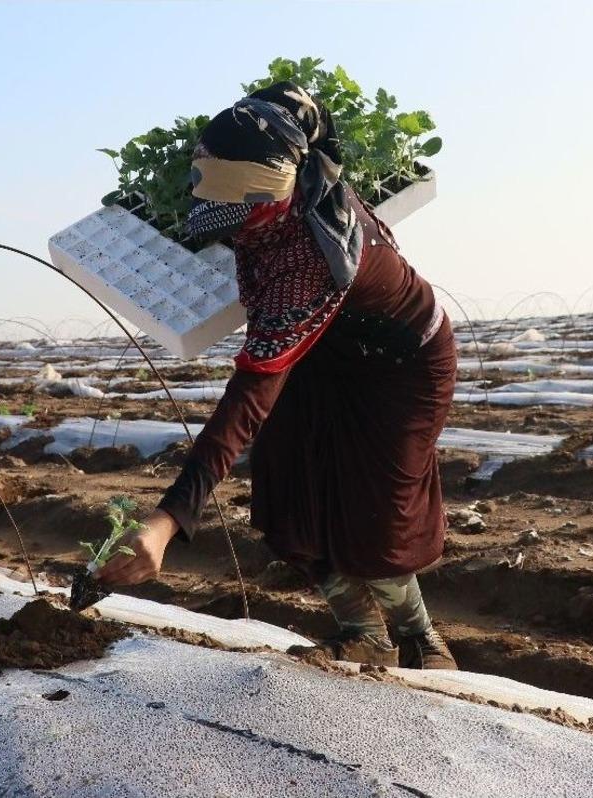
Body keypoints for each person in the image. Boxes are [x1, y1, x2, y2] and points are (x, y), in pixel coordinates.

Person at [96, 81, 458, 669]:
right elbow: (291, 99)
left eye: (237, 215)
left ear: (268, 199)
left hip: (402, 368)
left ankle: (423, 642)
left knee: (374, 513)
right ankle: (362, 631)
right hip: (323, 355)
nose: (228, 229)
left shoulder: (308, 261)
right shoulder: (282, 177)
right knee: (289, 488)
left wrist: (167, 521)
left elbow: (246, 402)